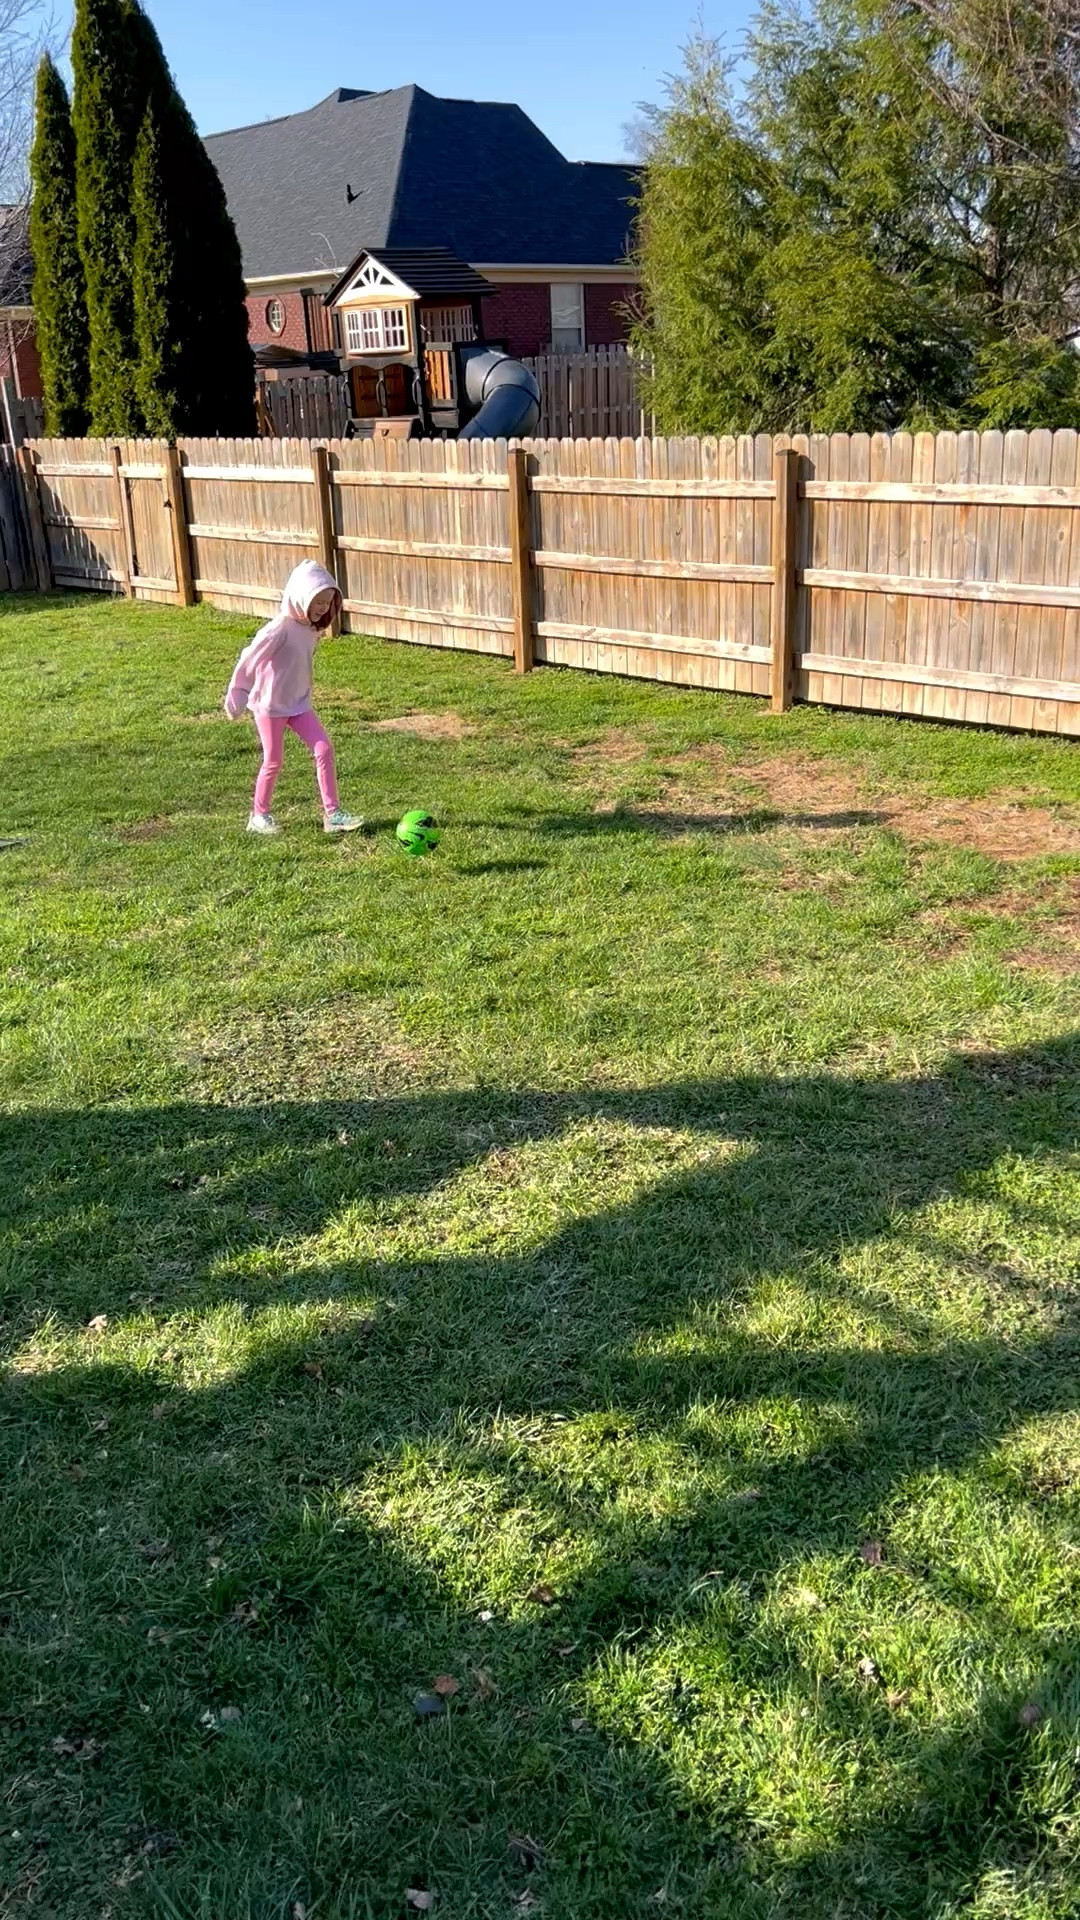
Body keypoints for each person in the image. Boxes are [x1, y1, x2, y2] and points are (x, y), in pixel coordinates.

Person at [224, 560, 364, 837]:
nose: (323, 607)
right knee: (273, 761)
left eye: (327, 602)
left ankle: (333, 813)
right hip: (269, 706)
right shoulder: (279, 628)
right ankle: (259, 815)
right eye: (318, 601)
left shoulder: (312, 630)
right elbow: (250, 659)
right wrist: (238, 693)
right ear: (301, 597)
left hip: (299, 705)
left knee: (323, 748)